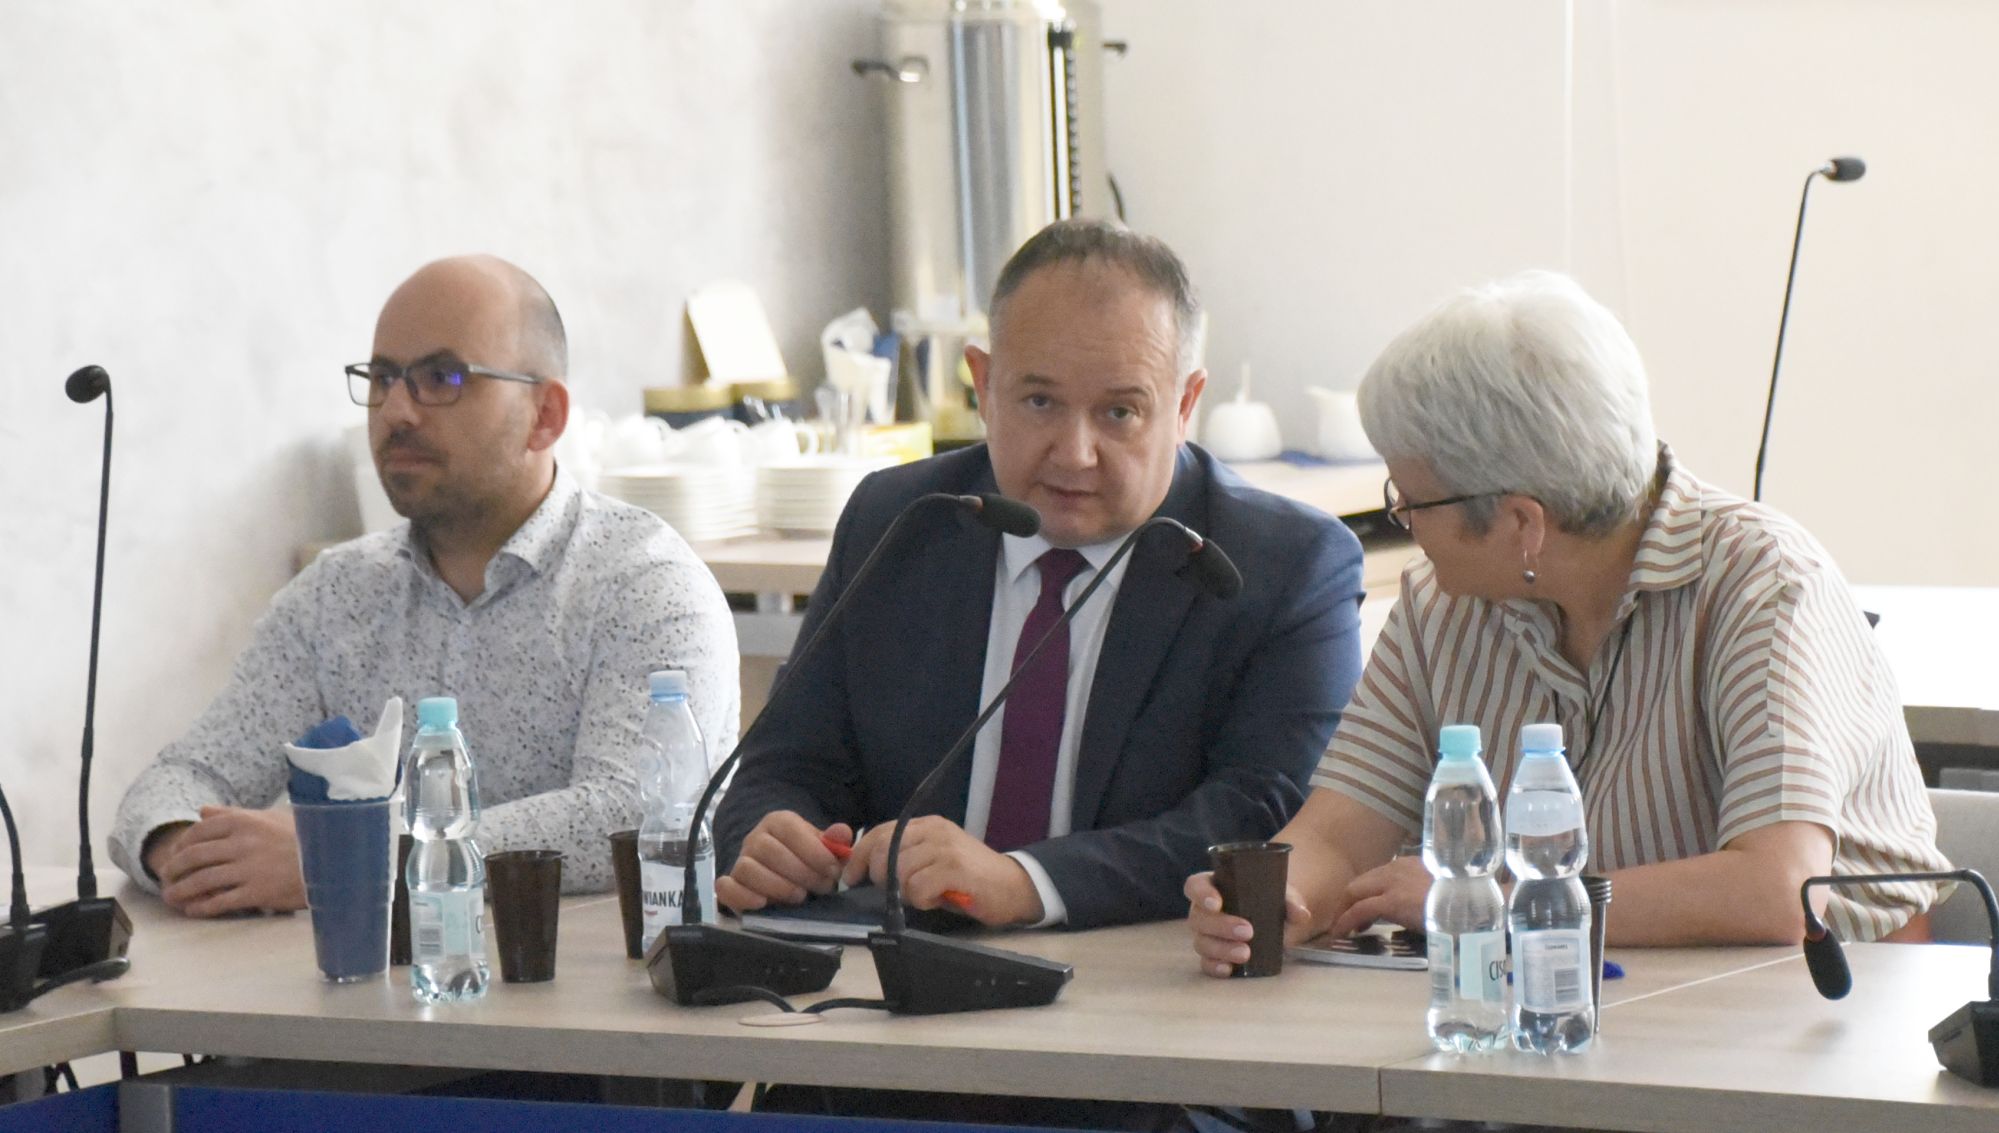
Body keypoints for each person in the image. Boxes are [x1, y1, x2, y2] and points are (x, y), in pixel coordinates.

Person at [1187, 270, 1948, 976]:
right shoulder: (1440, 605)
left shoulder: (1764, 585)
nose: (1401, 523)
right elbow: (1337, 831)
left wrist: (1485, 902)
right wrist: (1269, 899)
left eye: (1411, 502)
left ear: (1523, 523)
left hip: (1821, 1003)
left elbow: (1779, 891)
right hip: (1571, 993)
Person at [715, 219, 1367, 930]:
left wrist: (1027, 883)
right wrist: (773, 836)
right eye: (1039, 402)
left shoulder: (1285, 564)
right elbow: (786, 761)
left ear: (1184, 405)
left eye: (1119, 412)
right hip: (892, 959)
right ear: (983, 384)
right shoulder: (901, 521)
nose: (1075, 452)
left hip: (1140, 966)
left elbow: (1261, 813)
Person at [109, 254, 739, 914]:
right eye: (382, 378)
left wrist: (348, 858)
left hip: (579, 970)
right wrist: (186, 852)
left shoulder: (645, 585)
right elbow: (182, 779)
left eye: (442, 378)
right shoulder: (336, 595)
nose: (397, 410)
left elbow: (629, 816)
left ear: (545, 415)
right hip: (370, 975)